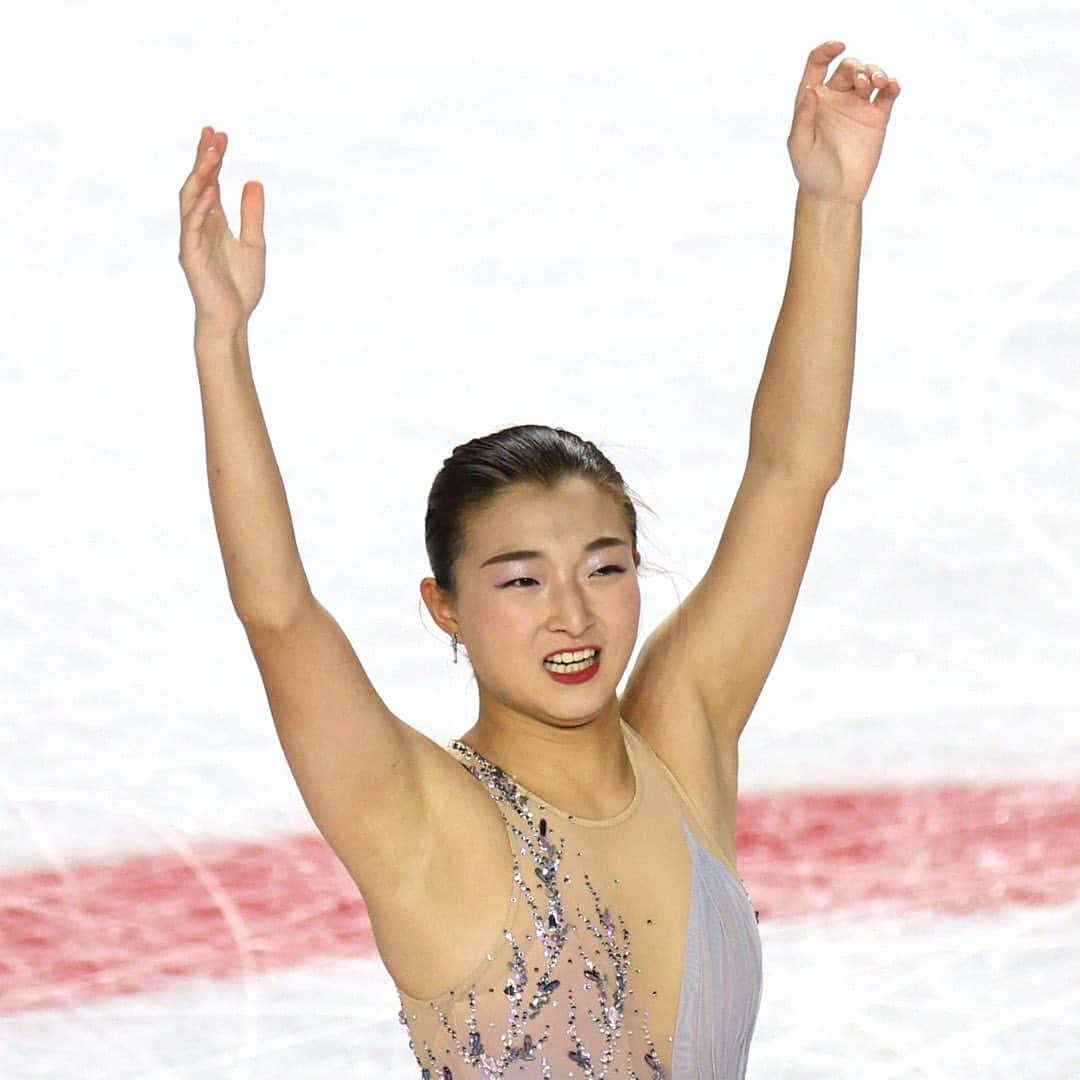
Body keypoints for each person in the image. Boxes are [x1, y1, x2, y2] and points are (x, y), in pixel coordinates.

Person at [177, 39, 900, 1079]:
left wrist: (831, 206)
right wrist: (221, 342)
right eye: (520, 580)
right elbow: (279, 613)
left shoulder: (682, 743)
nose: (574, 613)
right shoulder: (424, 823)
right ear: (446, 607)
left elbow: (793, 473)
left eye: (604, 568)